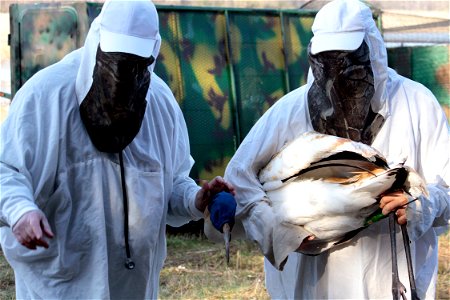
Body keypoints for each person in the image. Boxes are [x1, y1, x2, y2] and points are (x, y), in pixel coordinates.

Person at [0, 0, 235, 298]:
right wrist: (20, 211)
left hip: (134, 288)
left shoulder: (160, 104)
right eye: (117, 60)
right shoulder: (45, 96)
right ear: (97, 38)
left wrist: (194, 198)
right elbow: (5, 170)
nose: (126, 76)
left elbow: (170, 181)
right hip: (61, 287)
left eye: (138, 64)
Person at [224, 0, 450, 298]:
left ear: (373, 52)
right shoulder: (289, 112)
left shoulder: (416, 104)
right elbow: (238, 177)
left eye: (348, 59)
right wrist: (278, 233)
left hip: (390, 283)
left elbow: (447, 186)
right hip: (311, 282)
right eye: (328, 61)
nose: (338, 73)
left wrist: (421, 206)